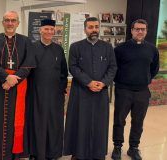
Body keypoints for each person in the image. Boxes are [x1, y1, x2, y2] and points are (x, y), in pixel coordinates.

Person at [0, 11, 35, 159]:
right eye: (7, 20)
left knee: (15, 123)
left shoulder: (26, 41)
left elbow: (29, 64)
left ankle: (14, 155)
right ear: (2, 22)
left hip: (18, 90)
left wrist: (14, 80)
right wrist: (6, 77)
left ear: (18, 23)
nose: (10, 23)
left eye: (13, 20)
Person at [63, 17, 117, 160]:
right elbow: (73, 67)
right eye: (90, 27)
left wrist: (103, 83)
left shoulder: (107, 47)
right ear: (85, 29)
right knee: (79, 122)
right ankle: (77, 152)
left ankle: (98, 153)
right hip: (81, 91)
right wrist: (88, 82)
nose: (94, 30)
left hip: (101, 91)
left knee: (99, 123)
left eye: (96, 27)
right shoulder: (75, 47)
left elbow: (113, 67)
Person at [111, 19, 159, 160]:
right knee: (119, 120)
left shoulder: (152, 49)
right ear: (131, 30)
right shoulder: (120, 49)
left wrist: (144, 80)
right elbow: (113, 68)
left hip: (142, 91)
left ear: (146, 31)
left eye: (143, 29)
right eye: (137, 29)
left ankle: (133, 148)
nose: (140, 31)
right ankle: (117, 146)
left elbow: (154, 69)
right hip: (123, 90)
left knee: (138, 121)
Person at [28, 19, 68, 160]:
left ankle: (53, 153)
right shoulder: (32, 48)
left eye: (52, 29)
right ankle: (35, 153)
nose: (49, 32)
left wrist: (61, 89)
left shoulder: (59, 49)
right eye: (46, 29)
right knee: (36, 123)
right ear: (40, 30)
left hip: (55, 95)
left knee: (54, 124)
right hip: (36, 94)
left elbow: (64, 72)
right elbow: (27, 72)